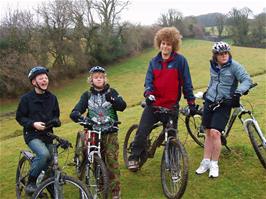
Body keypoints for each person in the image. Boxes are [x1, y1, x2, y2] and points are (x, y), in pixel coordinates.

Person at [127, 27, 197, 171]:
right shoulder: (153, 62)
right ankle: (134, 156)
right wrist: (148, 94)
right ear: (159, 43)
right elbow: (148, 82)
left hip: (171, 107)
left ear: (174, 46)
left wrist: (191, 103)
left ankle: (172, 164)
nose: (165, 46)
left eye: (169, 44)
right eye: (163, 43)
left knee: (171, 136)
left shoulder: (180, 61)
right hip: (154, 106)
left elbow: (187, 83)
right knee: (142, 132)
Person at [195, 41, 252, 178]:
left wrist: (238, 92)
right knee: (207, 132)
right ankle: (206, 161)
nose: (224, 56)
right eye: (221, 54)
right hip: (209, 101)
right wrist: (206, 92)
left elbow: (247, 80)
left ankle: (214, 164)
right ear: (215, 56)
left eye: (226, 53)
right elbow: (213, 81)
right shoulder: (213, 66)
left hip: (224, 103)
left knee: (215, 133)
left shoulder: (234, 66)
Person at [70, 66, 126, 199]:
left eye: (101, 77)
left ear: (105, 78)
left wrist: (113, 98)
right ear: (91, 80)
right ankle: (100, 184)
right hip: (93, 131)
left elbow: (122, 106)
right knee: (95, 159)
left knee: (111, 159)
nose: (99, 79)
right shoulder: (87, 95)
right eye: (96, 77)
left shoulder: (112, 92)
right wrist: (78, 115)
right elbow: (76, 111)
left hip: (110, 131)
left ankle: (115, 189)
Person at [16, 66, 61, 193]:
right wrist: (33, 124)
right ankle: (31, 182)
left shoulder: (52, 98)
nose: (44, 80)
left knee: (51, 164)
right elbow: (19, 117)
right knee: (43, 154)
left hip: (48, 134)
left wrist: (56, 121)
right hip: (32, 134)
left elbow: (56, 115)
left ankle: (49, 185)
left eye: (46, 78)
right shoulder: (26, 99)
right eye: (41, 78)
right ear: (34, 82)